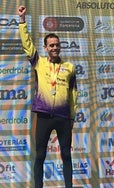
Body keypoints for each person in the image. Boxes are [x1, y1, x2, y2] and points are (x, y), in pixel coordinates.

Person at [18, 6, 78, 188]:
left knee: (66, 155)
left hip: (62, 117)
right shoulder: (39, 62)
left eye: (57, 45)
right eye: (51, 45)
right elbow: (27, 44)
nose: (55, 48)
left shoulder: (69, 67)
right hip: (43, 116)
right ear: (45, 47)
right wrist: (22, 21)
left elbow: (73, 94)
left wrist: (72, 117)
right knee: (40, 155)